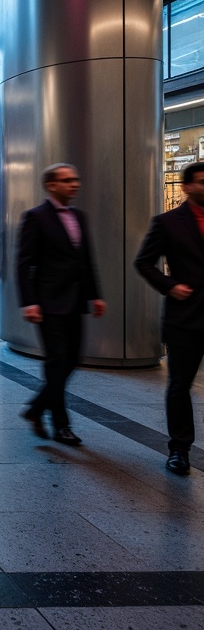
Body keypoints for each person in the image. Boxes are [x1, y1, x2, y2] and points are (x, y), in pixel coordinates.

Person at [16, 162, 106, 446]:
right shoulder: (35, 217)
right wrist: (29, 302)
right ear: (51, 185)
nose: (74, 184)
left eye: (75, 179)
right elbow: (24, 263)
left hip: (75, 301)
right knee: (57, 363)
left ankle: (35, 408)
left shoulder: (79, 216)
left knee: (71, 360)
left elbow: (85, 260)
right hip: (48, 303)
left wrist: (95, 295)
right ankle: (61, 425)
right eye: (68, 180)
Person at [134, 162, 204, 475]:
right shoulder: (168, 223)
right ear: (186, 186)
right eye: (201, 182)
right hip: (185, 318)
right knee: (179, 386)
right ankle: (179, 449)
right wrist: (170, 286)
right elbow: (144, 263)